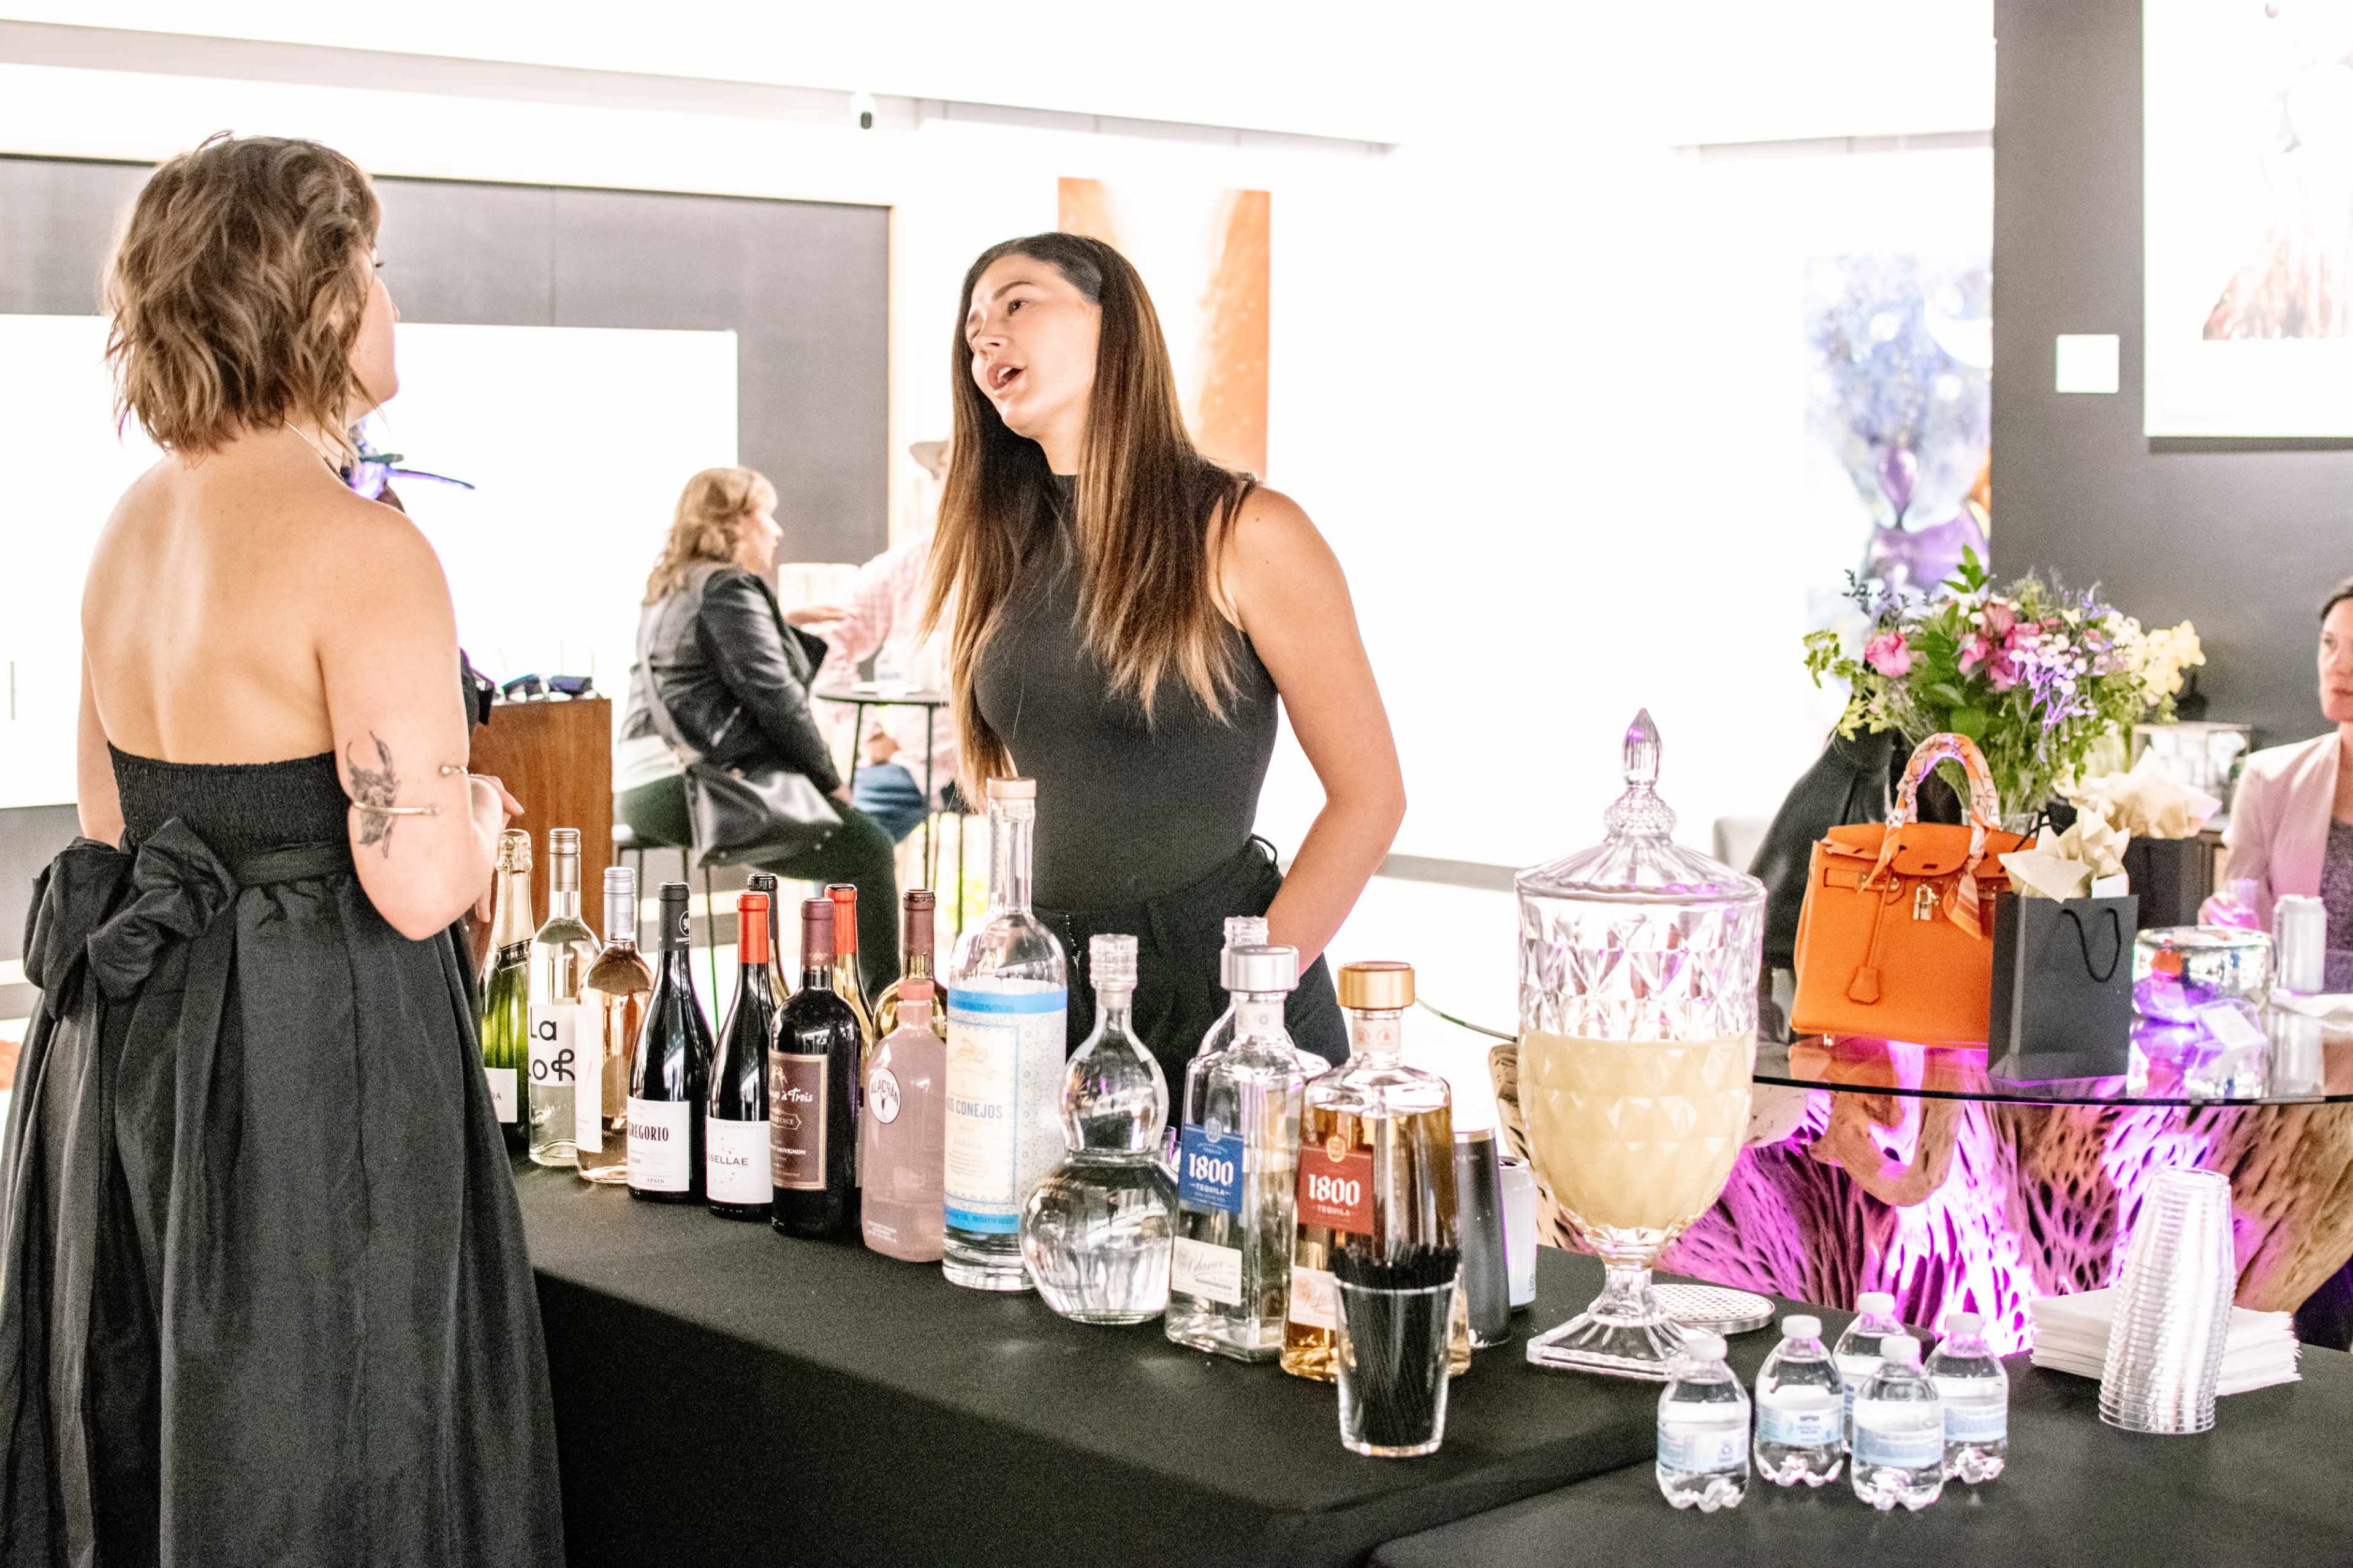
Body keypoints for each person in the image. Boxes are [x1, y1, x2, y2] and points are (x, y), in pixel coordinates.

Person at [0, 134, 563, 1564]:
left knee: (183, 1419)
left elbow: (115, 827)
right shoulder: (361, 547)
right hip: (314, 1062)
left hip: (139, 1059)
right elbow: (417, 877)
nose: (386, 297)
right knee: (333, 1429)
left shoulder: (133, 524)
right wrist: (486, 821)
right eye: (369, 263)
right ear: (313, 297)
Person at [926, 233, 1406, 1081]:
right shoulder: (1008, 551)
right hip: (1053, 992)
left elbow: (1370, 798)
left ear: (1115, 328)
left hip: (1218, 987)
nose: (985, 339)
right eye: (972, 331)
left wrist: (1252, 1003)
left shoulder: (1247, 530)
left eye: (1017, 303)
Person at [617, 468, 900, 991]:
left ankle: (840, 997)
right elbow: (778, 700)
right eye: (766, 515)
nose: (777, 530)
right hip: (691, 787)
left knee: (852, 849)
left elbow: (697, 666)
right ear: (737, 523)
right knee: (869, 848)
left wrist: (778, 623)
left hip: (642, 786)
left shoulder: (672, 587)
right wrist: (829, 780)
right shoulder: (728, 586)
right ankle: (887, 1014)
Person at [808, 441, 962, 844]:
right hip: (916, 762)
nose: (947, 484)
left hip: (1014, 767)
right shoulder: (910, 565)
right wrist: (870, 737)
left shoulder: (1031, 558)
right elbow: (827, 641)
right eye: (942, 473)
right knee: (844, 846)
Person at [2207, 576, 2353, 990]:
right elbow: (2240, 914)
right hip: (2294, 1030)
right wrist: (2221, 921)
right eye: (2329, 643)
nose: (2338, 665)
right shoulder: (2269, 778)